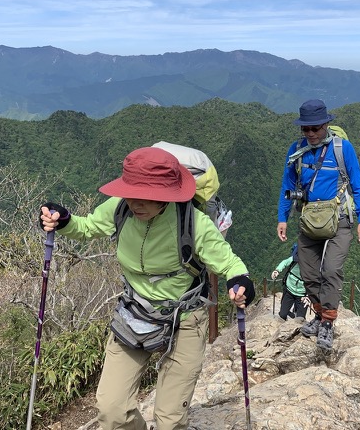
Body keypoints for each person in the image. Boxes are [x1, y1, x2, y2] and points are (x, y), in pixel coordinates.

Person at [39, 146, 255, 430]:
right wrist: (63, 220)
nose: (137, 203)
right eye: (132, 193)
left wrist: (240, 282)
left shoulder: (194, 223)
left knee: (170, 420)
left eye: (148, 197)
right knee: (111, 410)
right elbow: (88, 227)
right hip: (135, 311)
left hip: (186, 318)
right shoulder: (120, 208)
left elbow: (229, 263)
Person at [276, 99, 360, 350]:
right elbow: (287, 185)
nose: (311, 134)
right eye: (306, 129)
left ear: (326, 124)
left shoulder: (342, 149)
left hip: (339, 219)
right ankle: (318, 314)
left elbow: (357, 183)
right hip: (309, 219)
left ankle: (327, 322)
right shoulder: (296, 150)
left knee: (330, 270)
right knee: (308, 273)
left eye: (315, 128)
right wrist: (282, 218)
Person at [270, 242, 307, 321]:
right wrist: (277, 270)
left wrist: (309, 296)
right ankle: (290, 313)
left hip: (302, 295)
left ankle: (296, 312)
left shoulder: (313, 267)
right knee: (282, 316)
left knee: (300, 319)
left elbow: (315, 282)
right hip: (289, 290)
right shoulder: (295, 259)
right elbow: (285, 262)